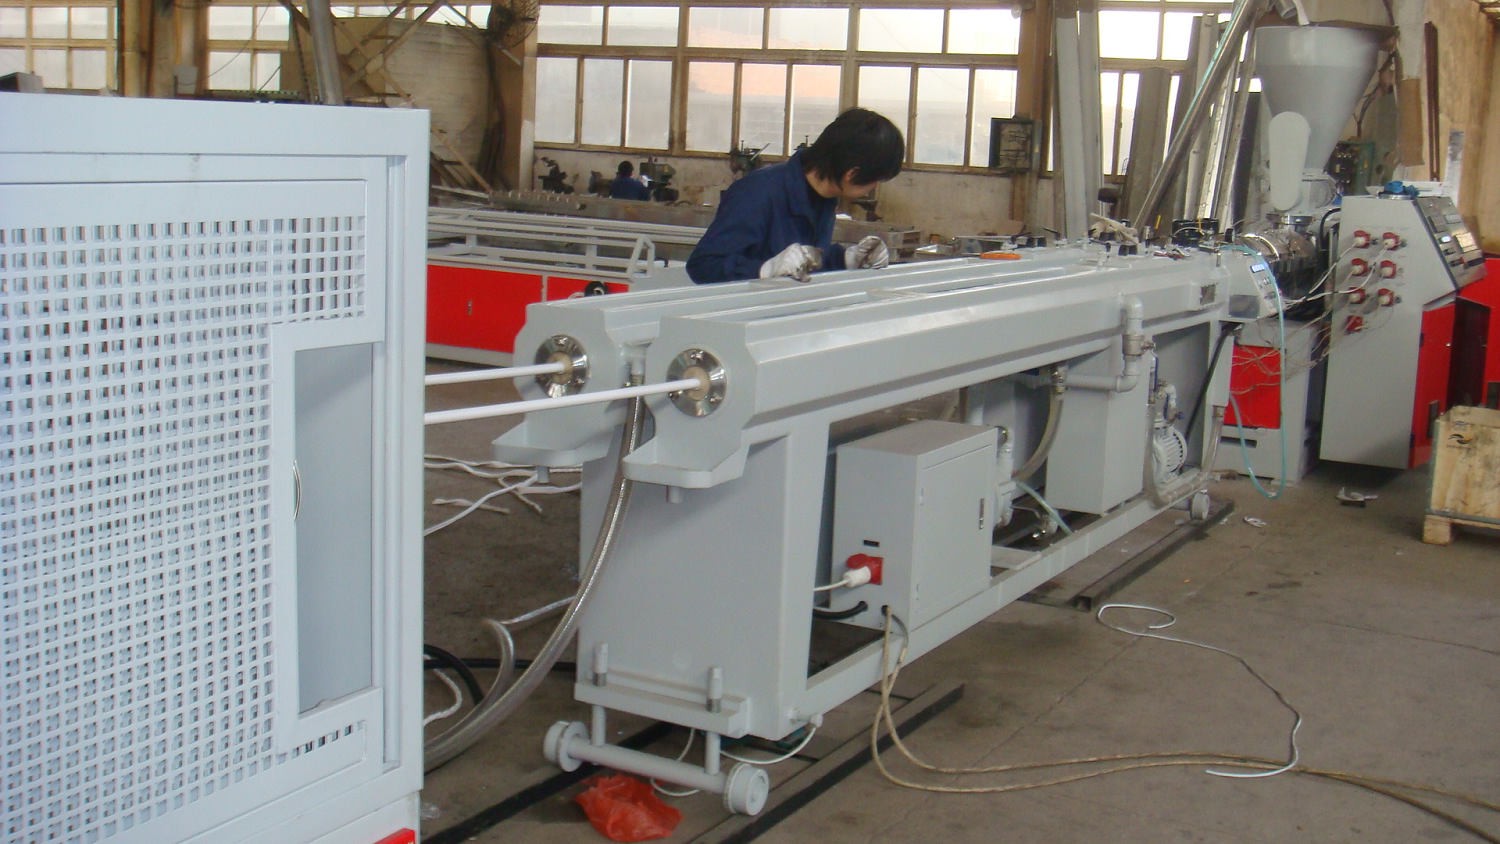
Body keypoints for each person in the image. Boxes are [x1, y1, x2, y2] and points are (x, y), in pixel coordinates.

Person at [686, 108, 904, 284]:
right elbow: (703, 266)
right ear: (852, 174)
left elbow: (806, 264)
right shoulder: (757, 193)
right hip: (741, 319)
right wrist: (764, 269)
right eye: (875, 179)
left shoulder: (824, 199)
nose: (874, 187)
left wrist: (846, 259)